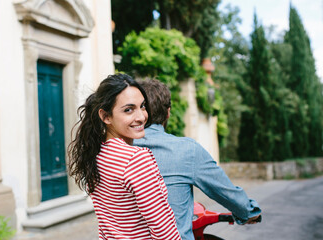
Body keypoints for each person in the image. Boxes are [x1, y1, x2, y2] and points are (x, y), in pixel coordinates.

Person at [134, 79, 262, 240]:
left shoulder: (112, 152)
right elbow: (226, 192)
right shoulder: (187, 150)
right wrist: (249, 212)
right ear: (168, 113)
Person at [67, 74, 182, 240]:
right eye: (128, 110)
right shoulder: (135, 159)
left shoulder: (96, 154)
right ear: (105, 116)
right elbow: (165, 231)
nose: (141, 117)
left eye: (142, 106)